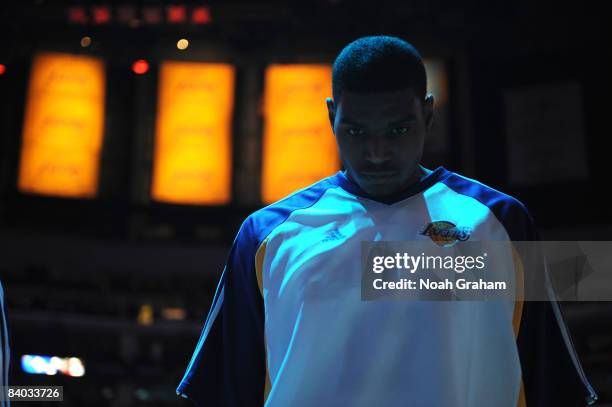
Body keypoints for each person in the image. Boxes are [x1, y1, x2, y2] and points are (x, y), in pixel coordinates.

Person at [176, 35, 598, 406]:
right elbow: (229, 388)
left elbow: (551, 383)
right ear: (330, 116)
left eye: (398, 130)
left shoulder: (502, 224)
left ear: (428, 115)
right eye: (357, 132)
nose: (377, 153)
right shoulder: (266, 236)